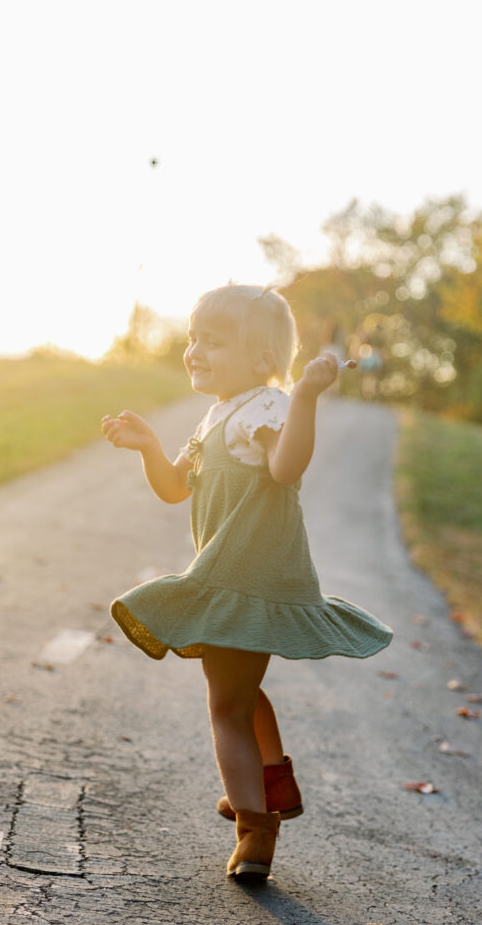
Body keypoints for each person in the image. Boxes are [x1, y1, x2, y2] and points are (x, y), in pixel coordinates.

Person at [101, 284, 393, 882]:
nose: (195, 351)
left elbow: (287, 468)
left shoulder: (267, 406)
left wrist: (306, 395)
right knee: (240, 690)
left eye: (214, 341)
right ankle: (269, 787)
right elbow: (175, 487)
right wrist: (151, 447)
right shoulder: (218, 414)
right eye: (193, 339)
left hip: (243, 575)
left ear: (262, 361)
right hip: (234, 576)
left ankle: (255, 829)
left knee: (225, 706)